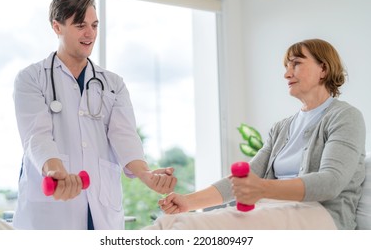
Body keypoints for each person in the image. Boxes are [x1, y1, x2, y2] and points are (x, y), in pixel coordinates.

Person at [144, 38, 366, 230]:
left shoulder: (345, 116)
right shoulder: (281, 128)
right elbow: (244, 179)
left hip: (322, 218)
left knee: (182, 229)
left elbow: (331, 182)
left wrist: (262, 188)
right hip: (274, 209)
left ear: (324, 70)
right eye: (286, 66)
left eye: (296, 64)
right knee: (169, 224)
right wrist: (188, 202)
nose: (287, 73)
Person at [12, 0, 177, 230]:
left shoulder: (113, 84)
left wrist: (146, 174)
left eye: (95, 25)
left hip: (101, 210)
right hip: (51, 212)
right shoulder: (31, 78)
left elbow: (125, 138)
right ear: (57, 27)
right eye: (80, 25)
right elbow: (37, 136)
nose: (90, 33)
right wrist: (56, 171)